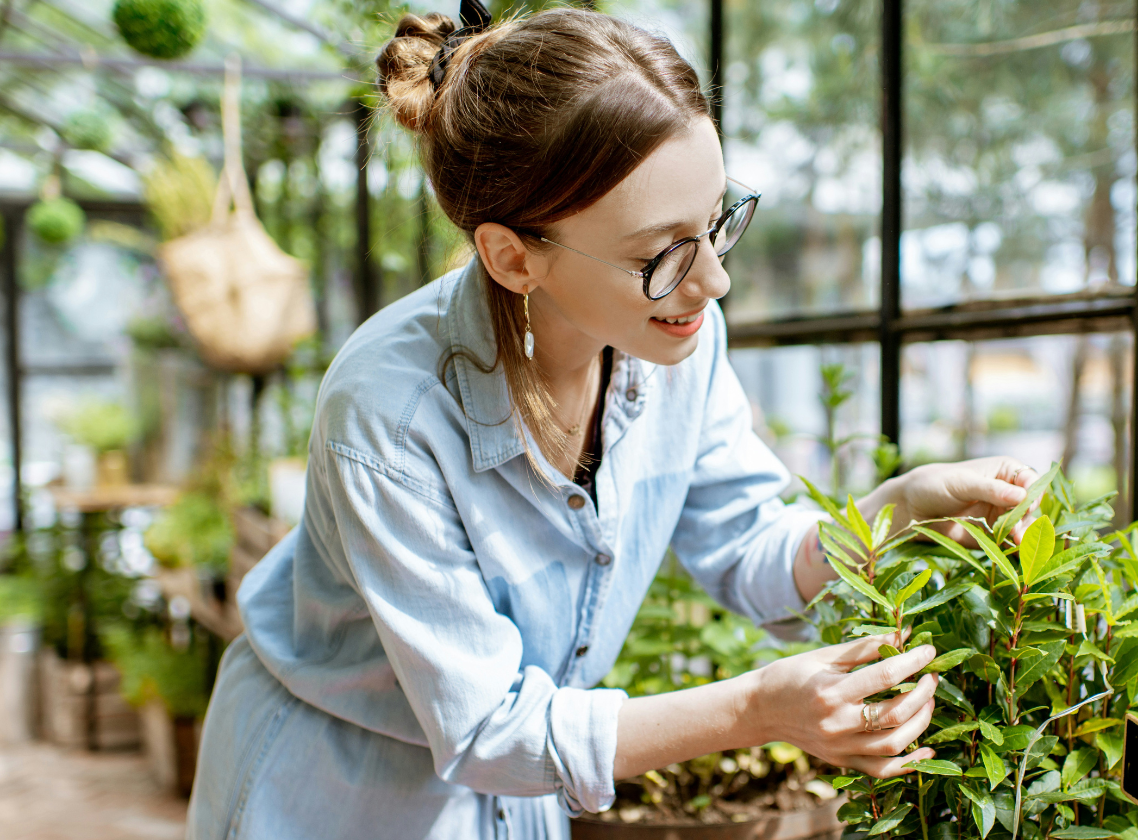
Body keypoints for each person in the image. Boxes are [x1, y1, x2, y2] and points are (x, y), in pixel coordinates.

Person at [185, 5, 1038, 839]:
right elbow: (488, 729)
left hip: (515, 793)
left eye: (715, 225)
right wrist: (757, 707)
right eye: (660, 253)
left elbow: (748, 549)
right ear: (513, 256)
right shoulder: (388, 414)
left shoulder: (674, 340)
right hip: (336, 792)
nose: (713, 281)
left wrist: (898, 511)